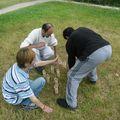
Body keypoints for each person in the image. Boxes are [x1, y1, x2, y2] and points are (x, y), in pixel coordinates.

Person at [57, 27, 112, 109]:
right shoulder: (82, 29)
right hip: (107, 48)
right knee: (88, 62)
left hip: (95, 53)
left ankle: (71, 104)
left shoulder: (70, 40)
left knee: (73, 76)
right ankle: (93, 79)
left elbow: (71, 58)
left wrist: (72, 71)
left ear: (67, 37)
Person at [2, 48, 58, 113]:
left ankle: (26, 96)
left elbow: (37, 64)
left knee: (33, 84)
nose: (36, 60)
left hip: (11, 91)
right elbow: (32, 97)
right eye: (34, 59)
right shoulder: (20, 81)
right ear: (27, 64)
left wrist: (52, 61)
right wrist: (44, 107)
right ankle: (27, 103)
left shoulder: (20, 64)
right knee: (41, 81)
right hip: (13, 98)